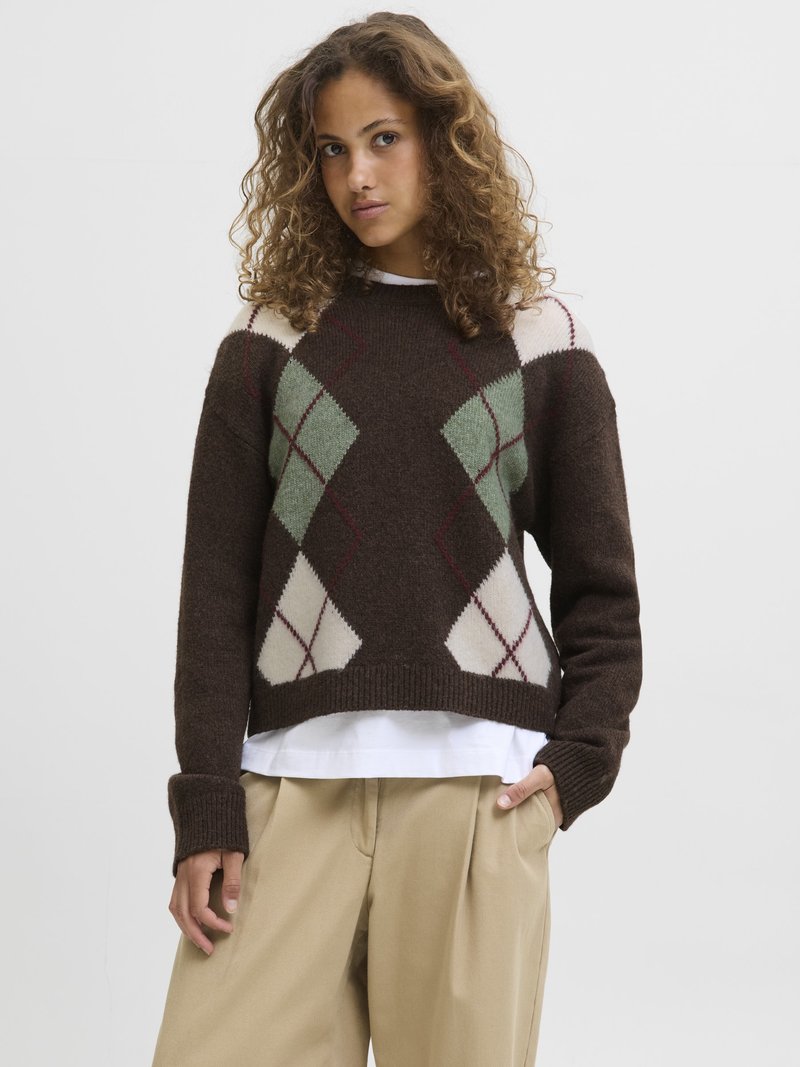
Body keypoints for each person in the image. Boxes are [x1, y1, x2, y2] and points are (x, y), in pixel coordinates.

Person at [150, 12, 642, 1066]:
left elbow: (600, 587)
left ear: (444, 139)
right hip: (287, 796)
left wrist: (578, 761)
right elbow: (214, 592)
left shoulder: (538, 340)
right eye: (331, 149)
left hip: (477, 797)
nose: (356, 175)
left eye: (383, 138)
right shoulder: (271, 342)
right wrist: (207, 803)